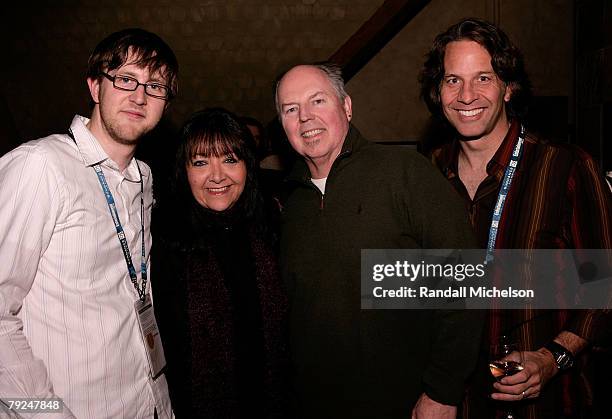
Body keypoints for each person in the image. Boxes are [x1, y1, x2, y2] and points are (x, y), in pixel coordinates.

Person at [420, 17, 612, 418]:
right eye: (452, 80)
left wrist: (553, 358)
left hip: (545, 405)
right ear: (438, 93)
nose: (466, 95)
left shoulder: (565, 168)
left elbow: (603, 287)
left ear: (508, 88)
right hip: (450, 402)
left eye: (483, 78)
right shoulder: (426, 175)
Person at [275, 62, 485, 419]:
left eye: (317, 101)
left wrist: (442, 391)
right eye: (291, 109)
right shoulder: (288, 202)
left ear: (347, 107)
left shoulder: (405, 173)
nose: (305, 118)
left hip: (405, 404)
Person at [0, 28, 178, 418]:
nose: (140, 95)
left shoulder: (143, 178)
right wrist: (44, 412)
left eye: (156, 85)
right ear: (96, 86)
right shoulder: (40, 166)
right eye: (126, 79)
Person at [151, 108, 288, 418]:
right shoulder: (164, 245)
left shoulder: (270, 229)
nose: (216, 176)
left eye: (229, 160)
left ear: (248, 166)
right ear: (183, 171)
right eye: (200, 162)